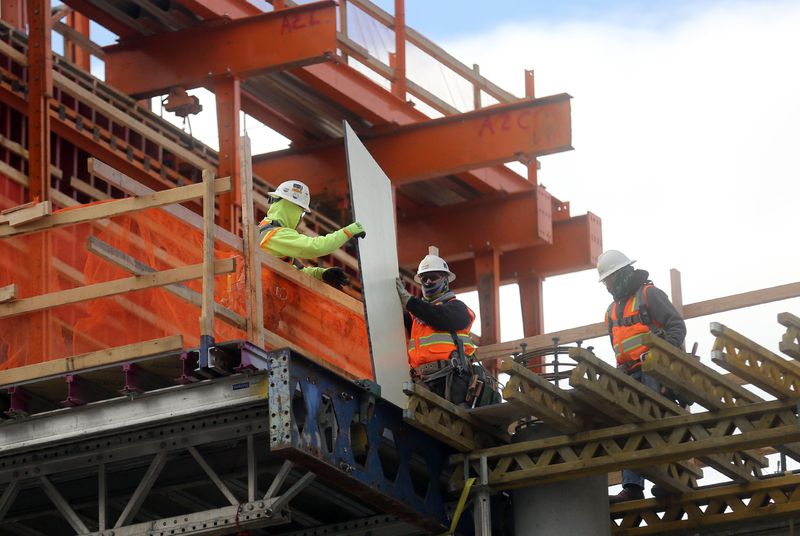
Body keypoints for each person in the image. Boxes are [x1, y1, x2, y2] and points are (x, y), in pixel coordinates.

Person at [598, 250, 687, 503]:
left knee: (660, 422)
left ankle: (670, 480)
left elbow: (677, 326)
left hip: (654, 372)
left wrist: (661, 357)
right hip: (628, 375)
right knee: (628, 426)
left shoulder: (649, 295)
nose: (607, 285)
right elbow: (619, 346)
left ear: (621, 275)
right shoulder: (611, 310)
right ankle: (633, 487)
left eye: (608, 280)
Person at [395, 246, 481, 407]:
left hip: (452, 380)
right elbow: (388, 319)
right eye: (424, 278)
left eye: (432, 277)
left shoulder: (458, 309)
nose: (427, 282)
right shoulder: (415, 317)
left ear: (445, 280)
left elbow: (437, 316)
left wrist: (410, 302)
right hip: (422, 382)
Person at [258, 180, 365, 288]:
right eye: (301, 212)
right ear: (293, 209)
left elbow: (296, 271)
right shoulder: (275, 235)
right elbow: (316, 247)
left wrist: (320, 274)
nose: (300, 218)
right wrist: (348, 232)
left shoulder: (270, 233)